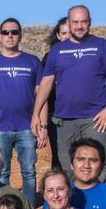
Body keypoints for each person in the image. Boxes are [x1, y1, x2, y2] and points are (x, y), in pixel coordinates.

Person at [33, 5, 106, 183]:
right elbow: (46, 84)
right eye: (75, 22)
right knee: (68, 169)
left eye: (83, 22)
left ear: (90, 23)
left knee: (98, 167)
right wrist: (35, 114)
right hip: (64, 120)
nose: (79, 26)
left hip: (95, 119)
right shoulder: (57, 51)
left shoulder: (101, 46)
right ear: (69, 23)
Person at [0, 17, 43, 205]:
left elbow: (41, 97)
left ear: (20, 35)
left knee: (29, 171)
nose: (10, 36)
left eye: (14, 32)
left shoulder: (33, 61)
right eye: (6, 32)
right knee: (1, 172)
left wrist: (42, 126)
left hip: (27, 127)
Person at [39, 17, 70, 167]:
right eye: (64, 33)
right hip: (56, 114)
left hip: (80, 113)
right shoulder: (49, 57)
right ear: (58, 36)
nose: (67, 37)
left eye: (70, 33)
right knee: (59, 156)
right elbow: (43, 88)